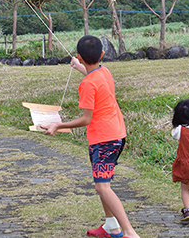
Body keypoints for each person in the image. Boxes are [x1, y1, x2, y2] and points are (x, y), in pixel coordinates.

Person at [43, 35, 140, 238]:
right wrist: (79, 67)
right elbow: (93, 76)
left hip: (104, 140)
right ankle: (111, 226)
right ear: (102, 55)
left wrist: (58, 125)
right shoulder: (104, 71)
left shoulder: (88, 84)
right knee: (103, 183)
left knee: (102, 187)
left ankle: (129, 232)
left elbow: (86, 119)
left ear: (79, 55)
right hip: (116, 135)